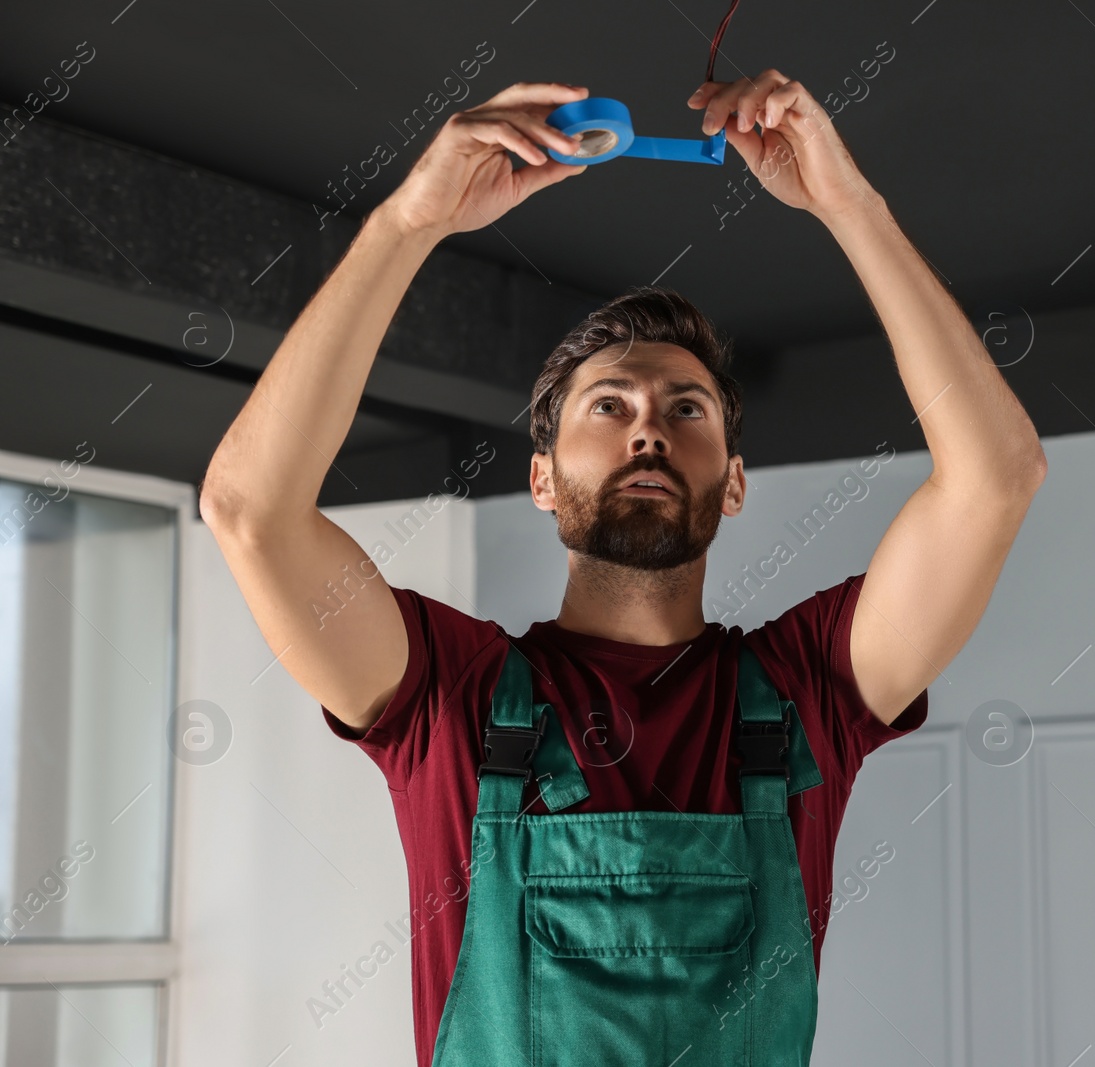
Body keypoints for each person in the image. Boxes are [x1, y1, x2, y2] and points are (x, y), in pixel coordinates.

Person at [200, 71, 1046, 1067]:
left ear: (732, 483)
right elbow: (250, 511)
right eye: (609, 406)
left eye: (686, 409)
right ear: (543, 480)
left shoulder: (810, 689)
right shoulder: (447, 695)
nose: (649, 427)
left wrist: (847, 205)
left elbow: (995, 476)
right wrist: (409, 221)